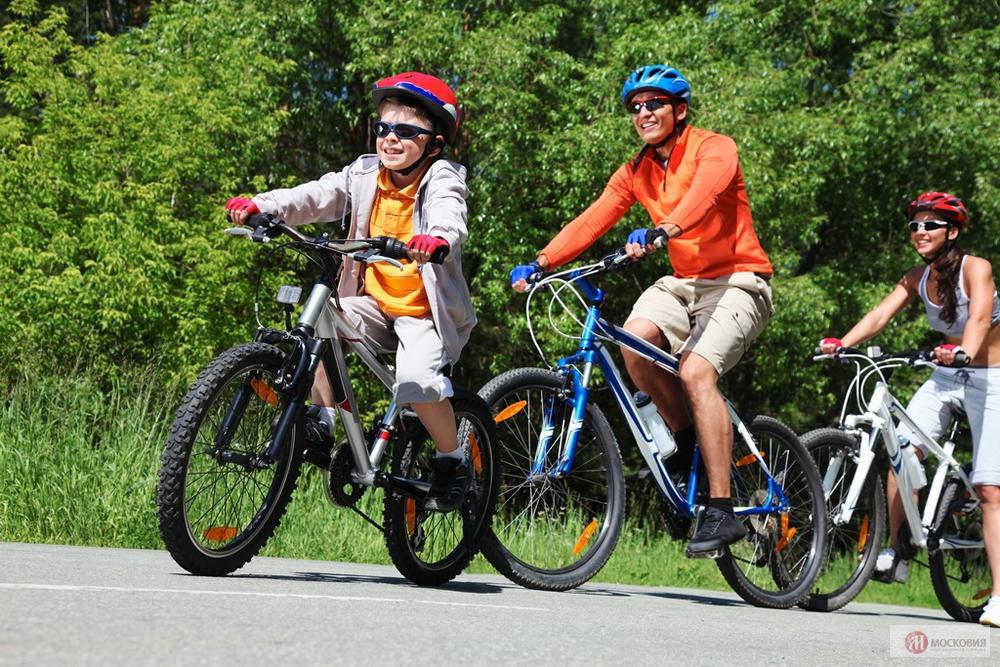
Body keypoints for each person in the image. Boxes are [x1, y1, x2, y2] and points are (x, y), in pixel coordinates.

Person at [510, 64, 774, 556]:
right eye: (635, 107)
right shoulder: (636, 171)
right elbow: (593, 219)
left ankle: (720, 508)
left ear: (680, 110)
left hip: (739, 280)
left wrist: (663, 230)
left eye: (654, 103)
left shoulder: (715, 148)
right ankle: (689, 445)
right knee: (634, 344)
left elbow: (703, 195)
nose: (644, 113)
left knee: (695, 371)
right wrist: (542, 261)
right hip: (682, 282)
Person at [225, 71, 476, 513]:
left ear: (434, 144)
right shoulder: (364, 173)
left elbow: (449, 213)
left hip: (423, 312)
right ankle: (321, 419)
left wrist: (437, 238)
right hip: (374, 303)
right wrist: (263, 204)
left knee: (417, 382)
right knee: (323, 322)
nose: (390, 138)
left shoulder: (441, 177)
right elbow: (316, 195)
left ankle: (452, 459)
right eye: (383, 128)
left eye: (406, 132)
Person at [819, 191, 1000, 627]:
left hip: (993, 379)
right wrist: (842, 342)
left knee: (991, 490)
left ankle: (999, 596)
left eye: (930, 224)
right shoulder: (916, 277)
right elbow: (880, 315)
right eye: (915, 225)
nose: (919, 231)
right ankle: (896, 549)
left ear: (952, 232)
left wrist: (964, 350)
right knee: (900, 451)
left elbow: (979, 319)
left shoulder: (976, 268)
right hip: (946, 375)